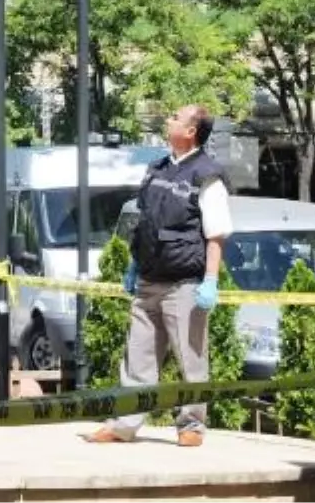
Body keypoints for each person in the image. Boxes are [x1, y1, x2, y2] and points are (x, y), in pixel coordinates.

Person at [85, 105, 232, 448]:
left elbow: (216, 235)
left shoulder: (207, 175)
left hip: (185, 284)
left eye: (175, 118)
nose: (168, 120)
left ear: (192, 131)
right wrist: (134, 265)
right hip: (149, 279)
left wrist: (210, 281)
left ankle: (192, 424)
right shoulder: (157, 168)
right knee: (137, 358)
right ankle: (124, 424)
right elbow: (145, 221)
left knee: (191, 360)